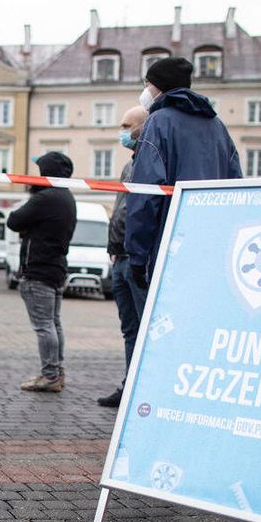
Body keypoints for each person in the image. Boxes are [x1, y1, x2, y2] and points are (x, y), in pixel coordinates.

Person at [127, 57, 242, 290]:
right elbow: (236, 186)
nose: (145, 90)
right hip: (212, 242)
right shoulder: (217, 126)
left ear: (158, 86)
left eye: (147, 83)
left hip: (170, 242)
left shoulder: (158, 122)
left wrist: (137, 256)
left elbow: (145, 194)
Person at [7, 152, 77, 393]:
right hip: (57, 268)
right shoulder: (67, 197)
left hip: (39, 270)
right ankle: (57, 372)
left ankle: (49, 376)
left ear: (46, 172)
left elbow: (14, 220)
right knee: (54, 324)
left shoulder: (46, 197)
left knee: (44, 326)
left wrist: (34, 197)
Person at [98, 105, 150, 408]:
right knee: (129, 328)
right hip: (120, 256)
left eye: (126, 125)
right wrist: (112, 249)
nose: (122, 131)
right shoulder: (129, 165)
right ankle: (129, 385)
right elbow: (119, 209)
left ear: (142, 128)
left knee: (142, 328)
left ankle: (141, 388)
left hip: (135, 256)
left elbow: (138, 212)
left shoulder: (147, 164)